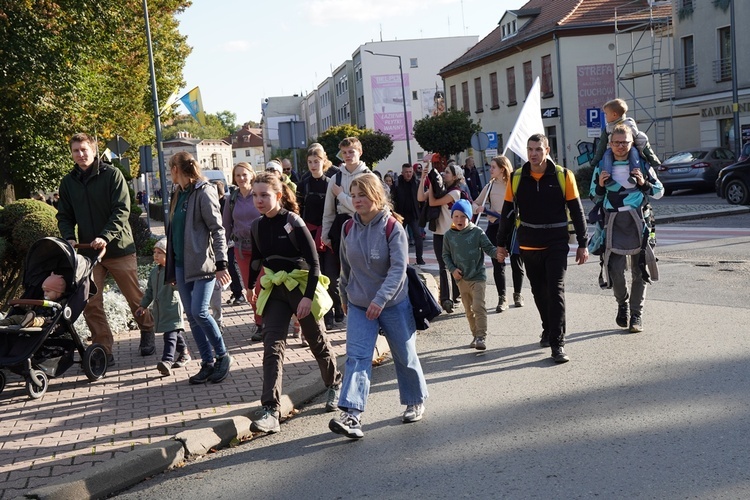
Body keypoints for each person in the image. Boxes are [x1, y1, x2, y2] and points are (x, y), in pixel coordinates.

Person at [329, 174, 428, 439]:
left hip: (393, 303)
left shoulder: (392, 227)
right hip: (360, 304)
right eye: (353, 194)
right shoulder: (348, 227)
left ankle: (415, 400)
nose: (356, 200)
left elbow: (398, 270)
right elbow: (345, 266)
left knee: (404, 355)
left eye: (362, 195)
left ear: (376, 196)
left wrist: (380, 300)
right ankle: (352, 415)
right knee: (357, 358)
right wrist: (343, 296)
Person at [247, 172, 342, 434]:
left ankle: (334, 385)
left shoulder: (294, 222)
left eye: (264, 195)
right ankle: (271, 410)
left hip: (301, 286)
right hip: (276, 288)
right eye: (255, 195)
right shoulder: (257, 226)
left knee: (316, 340)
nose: (259, 200)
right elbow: (256, 260)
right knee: (272, 346)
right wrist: (248, 285)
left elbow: (314, 264)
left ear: (278, 195)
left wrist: (307, 297)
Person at [57, 132, 155, 363]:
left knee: (133, 296)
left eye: (84, 149)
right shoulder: (68, 183)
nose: (80, 155)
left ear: (94, 150)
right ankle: (103, 349)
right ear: (71, 154)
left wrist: (105, 236)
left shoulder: (112, 175)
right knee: (91, 301)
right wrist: (69, 237)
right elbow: (64, 215)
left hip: (118, 247)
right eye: (76, 151)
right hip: (88, 252)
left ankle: (147, 328)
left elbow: (121, 210)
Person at [496, 134, 588, 364]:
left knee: (555, 290)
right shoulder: (517, 177)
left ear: (547, 150)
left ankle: (558, 344)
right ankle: (548, 328)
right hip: (528, 244)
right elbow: (507, 214)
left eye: (538, 149)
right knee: (539, 293)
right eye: (530, 149)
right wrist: (501, 244)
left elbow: (577, 211)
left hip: (556, 242)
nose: (533, 153)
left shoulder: (563, 175)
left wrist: (583, 243)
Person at [165, 152, 233, 385]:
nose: (168, 173)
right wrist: (172, 269)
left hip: (204, 264)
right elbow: (174, 232)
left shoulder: (204, 191)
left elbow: (218, 229)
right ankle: (207, 362)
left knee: (200, 311)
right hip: (182, 265)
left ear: (177, 169)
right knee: (192, 317)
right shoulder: (178, 193)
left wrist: (222, 263)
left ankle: (223, 356)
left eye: (169, 168)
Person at [590, 124, 663, 333]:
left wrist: (643, 183)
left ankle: (636, 314)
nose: (620, 146)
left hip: (640, 222)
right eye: (616, 142)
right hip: (613, 224)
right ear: (610, 144)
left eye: (625, 142)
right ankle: (622, 304)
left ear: (631, 144)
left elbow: (659, 192)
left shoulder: (642, 164)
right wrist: (601, 186)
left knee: (641, 270)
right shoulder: (601, 168)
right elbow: (594, 195)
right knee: (615, 270)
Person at [320, 136, 372, 323]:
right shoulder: (336, 177)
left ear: (360, 152)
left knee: (362, 271)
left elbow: (363, 206)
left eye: (352, 151)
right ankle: (346, 309)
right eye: (345, 152)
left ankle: (363, 310)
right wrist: (325, 234)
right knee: (340, 274)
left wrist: (341, 195)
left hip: (363, 225)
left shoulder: (368, 176)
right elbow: (329, 209)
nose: (348, 155)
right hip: (341, 227)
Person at [442, 200, 497, 350]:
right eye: (456, 216)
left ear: (470, 217)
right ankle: (475, 335)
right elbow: (445, 255)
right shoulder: (449, 235)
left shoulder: (477, 232)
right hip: (461, 279)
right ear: (452, 217)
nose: (459, 220)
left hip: (478, 276)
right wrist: (453, 269)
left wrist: (497, 253)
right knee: (468, 310)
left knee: (478, 306)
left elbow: (489, 248)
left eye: (463, 216)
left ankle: (481, 336)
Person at [473, 155, 525, 312]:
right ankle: (502, 298)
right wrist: (479, 209)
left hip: (513, 228)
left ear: (502, 169)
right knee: (498, 263)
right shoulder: (489, 186)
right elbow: (475, 203)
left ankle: (518, 294)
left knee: (517, 262)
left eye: (493, 167)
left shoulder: (513, 184)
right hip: (495, 227)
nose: (490, 170)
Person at [136, 238, 191, 377]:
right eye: (155, 252)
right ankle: (184, 353)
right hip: (161, 309)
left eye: (160, 252)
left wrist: (176, 284)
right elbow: (149, 291)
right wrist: (143, 306)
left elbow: (183, 287)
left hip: (172, 307)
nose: (156, 255)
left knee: (169, 336)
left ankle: (167, 361)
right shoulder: (154, 272)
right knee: (174, 334)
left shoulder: (173, 271)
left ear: (169, 255)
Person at [297, 144, 336, 332]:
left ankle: (336, 308)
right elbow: (297, 209)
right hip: (310, 234)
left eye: (317, 161)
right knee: (316, 275)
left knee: (331, 277)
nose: (313, 165)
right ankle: (325, 315)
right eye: (310, 162)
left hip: (327, 234)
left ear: (324, 161)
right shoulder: (304, 183)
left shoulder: (331, 182)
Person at [223, 162, 263, 338]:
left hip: (262, 248)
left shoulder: (260, 194)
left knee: (263, 286)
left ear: (251, 174)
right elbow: (225, 226)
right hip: (242, 250)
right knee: (250, 289)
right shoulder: (231, 199)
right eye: (238, 175)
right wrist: (221, 250)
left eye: (244, 174)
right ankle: (260, 324)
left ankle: (270, 321)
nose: (241, 178)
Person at [417, 162, 464, 313]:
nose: (444, 174)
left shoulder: (455, 192)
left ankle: (457, 296)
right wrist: (425, 178)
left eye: (448, 173)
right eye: (443, 172)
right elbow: (420, 198)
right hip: (438, 233)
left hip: (452, 233)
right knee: (442, 266)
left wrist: (432, 185)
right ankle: (445, 299)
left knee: (454, 266)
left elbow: (433, 201)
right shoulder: (439, 188)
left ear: (455, 176)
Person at [590, 98, 661, 169]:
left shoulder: (629, 124)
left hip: (629, 150)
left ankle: (635, 173)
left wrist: (654, 161)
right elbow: (602, 145)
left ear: (614, 114)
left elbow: (640, 141)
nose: (605, 116)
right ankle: (608, 175)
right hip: (613, 150)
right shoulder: (608, 128)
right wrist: (595, 161)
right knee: (607, 155)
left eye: (606, 114)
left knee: (635, 151)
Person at [0, 273, 66, 328]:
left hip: (47, 321)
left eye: (48, 291)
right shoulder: (41, 300)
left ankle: (30, 322)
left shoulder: (61, 302)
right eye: (44, 291)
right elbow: (32, 307)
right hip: (33, 316)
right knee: (14, 318)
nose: (45, 293)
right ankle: (2, 322)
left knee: (39, 320)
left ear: (58, 292)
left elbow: (58, 316)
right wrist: (22, 305)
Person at [391, 163, 425, 266]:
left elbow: (422, 198)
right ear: (402, 173)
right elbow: (392, 200)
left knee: (418, 236)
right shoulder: (396, 184)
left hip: (414, 215)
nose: (408, 174)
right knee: (397, 237)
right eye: (406, 172)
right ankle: (399, 259)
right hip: (400, 215)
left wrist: (422, 213)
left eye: (410, 172)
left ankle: (419, 258)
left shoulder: (417, 183)